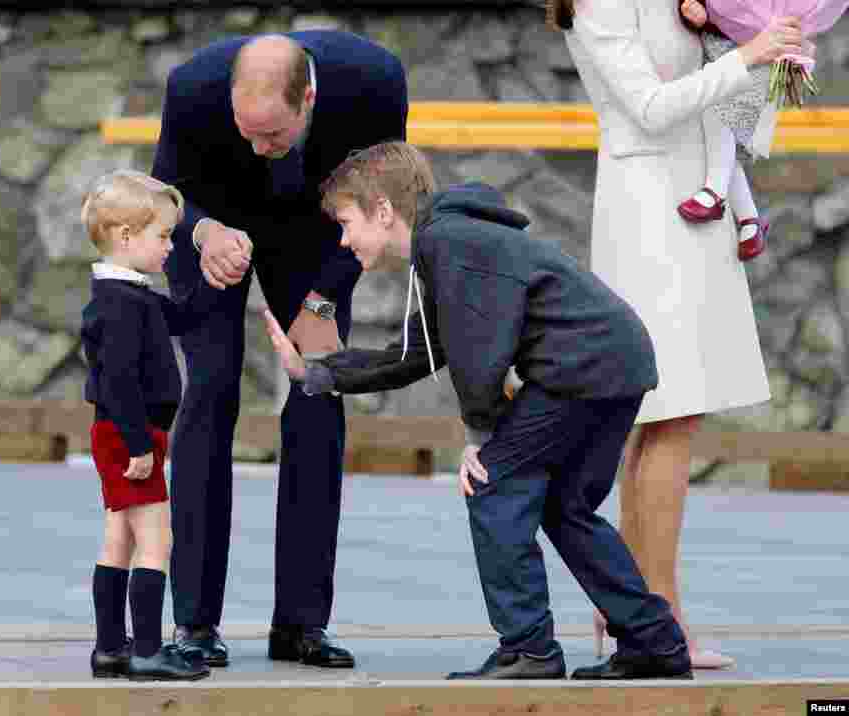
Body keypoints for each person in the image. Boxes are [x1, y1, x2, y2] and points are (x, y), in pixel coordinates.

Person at [264, 141, 693, 680]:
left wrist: (482, 434)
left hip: (581, 368)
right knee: (565, 506)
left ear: (382, 211)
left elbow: (480, 351)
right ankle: (653, 642)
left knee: (492, 484)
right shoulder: (447, 244)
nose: (343, 238)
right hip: (613, 362)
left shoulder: (451, 242)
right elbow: (420, 354)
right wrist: (317, 373)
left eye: (346, 222)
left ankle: (530, 649)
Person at [549, 0, 802, 668]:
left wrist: (774, 61)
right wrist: (750, 54)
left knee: (670, 417)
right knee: (668, 409)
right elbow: (651, 107)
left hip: (698, 201)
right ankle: (655, 616)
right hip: (645, 206)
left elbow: (722, 104)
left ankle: (638, 610)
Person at [150, 31, 408, 668]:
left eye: (273, 135)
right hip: (213, 238)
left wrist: (320, 302)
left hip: (316, 242)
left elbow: (379, 204)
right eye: (246, 131)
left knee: (316, 391)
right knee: (210, 389)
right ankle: (195, 624)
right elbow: (166, 192)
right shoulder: (191, 85)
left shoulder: (374, 81)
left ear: (310, 96)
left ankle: (301, 624)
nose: (259, 147)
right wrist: (205, 232)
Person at [80, 170, 214, 682]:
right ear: (125, 237)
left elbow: (181, 317)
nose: (168, 247)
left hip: (123, 436)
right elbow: (115, 382)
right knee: (157, 541)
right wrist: (139, 444)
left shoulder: (132, 295)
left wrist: (210, 274)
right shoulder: (119, 305)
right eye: (163, 236)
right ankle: (148, 651)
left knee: (120, 537)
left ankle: (112, 647)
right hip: (129, 436)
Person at [675, 0, 779, 261]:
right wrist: (697, 15)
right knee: (721, 140)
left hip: (755, 53)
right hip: (722, 48)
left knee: (717, 112)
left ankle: (715, 193)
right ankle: (750, 220)